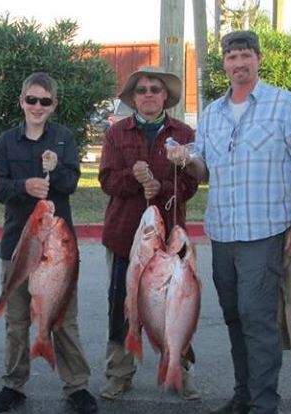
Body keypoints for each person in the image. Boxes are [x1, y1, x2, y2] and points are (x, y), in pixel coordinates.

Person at [170, 31, 291, 414]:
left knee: (258, 319)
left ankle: (263, 403)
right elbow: (204, 170)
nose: (239, 63)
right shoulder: (211, 114)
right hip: (223, 231)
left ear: (258, 59)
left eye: (245, 55)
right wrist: (186, 159)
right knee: (235, 316)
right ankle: (243, 395)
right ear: (223, 63)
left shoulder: (284, 104)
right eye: (232, 57)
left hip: (265, 231)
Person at [0, 72, 98, 413]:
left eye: (44, 101)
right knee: (17, 320)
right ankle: (13, 383)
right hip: (17, 247)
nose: (37, 106)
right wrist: (24, 186)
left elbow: (71, 184)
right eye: (31, 100)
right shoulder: (7, 141)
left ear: (54, 105)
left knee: (63, 319)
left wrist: (57, 170)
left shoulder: (64, 138)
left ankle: (76, 385)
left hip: (59, 250)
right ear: (22, 101)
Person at [97, 66, 200, 401]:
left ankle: (178, 369)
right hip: (126, 234)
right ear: (133, 98)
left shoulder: (184, 132)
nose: (149, 95)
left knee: (176, 302)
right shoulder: (116, 133)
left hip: (170, 237)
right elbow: (107, 180)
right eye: (141, 90)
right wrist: (134, 178)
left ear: (165, 96)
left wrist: (164, 185)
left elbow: (192, 183)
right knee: (122, 306)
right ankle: (119, 372)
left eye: (155, 89)